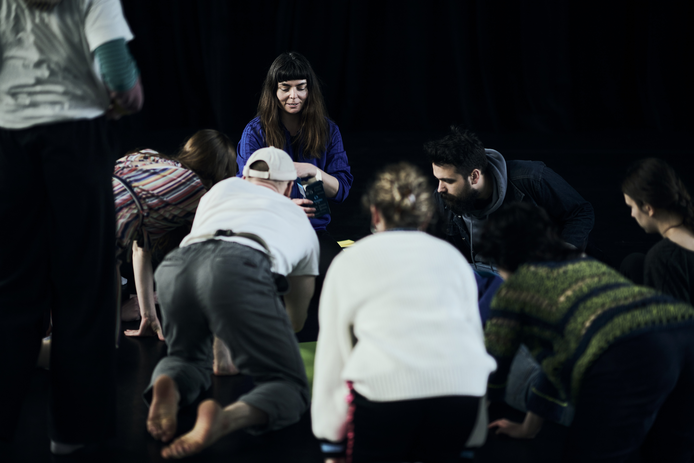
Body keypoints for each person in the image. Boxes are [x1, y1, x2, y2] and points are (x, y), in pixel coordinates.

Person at [0, 0, 142, 455]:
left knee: (11, 287)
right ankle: (72, 432)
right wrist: (128, 96)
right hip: (76, 136)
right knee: (83, 284)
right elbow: (116, 67)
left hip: (9, 140)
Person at [478, 202, 694, 463]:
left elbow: (493, 368)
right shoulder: (583, 263)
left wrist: (471, 425)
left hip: (626, 349)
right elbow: (554, 365)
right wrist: (528, 428)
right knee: (669, 453)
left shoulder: (513, 291)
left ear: (499, 253)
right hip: (683, 328)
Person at [312, 162, 497, 463]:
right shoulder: (453, 260)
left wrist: (330, 438)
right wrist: (473, 437)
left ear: (375, 214)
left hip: (385, 396)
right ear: (425, 217)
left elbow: (334, 351)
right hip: (460, 398)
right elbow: (472, 340)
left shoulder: (350, 261)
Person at [145, 147, 319, 459]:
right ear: (289, 188)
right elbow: (295, 319)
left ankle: (168, 382)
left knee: (187, 359)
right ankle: (227, 418)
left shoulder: (220, 190)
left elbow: (206, 255)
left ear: (245, 176)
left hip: (177, 266)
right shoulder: (299, 219)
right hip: (241, 265)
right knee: (288, 384)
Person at [237, 51, 353, 341]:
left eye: (301, 87)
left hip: (313, 232)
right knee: (265, 285)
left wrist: (312, 171)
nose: (293, 96)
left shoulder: (328, 130)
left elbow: (342, 189)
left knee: (342, 282)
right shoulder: (255, 132)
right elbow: (246, 191)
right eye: (285, 88)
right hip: (268, 232)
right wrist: (286, 206)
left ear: (309, 89)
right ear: (273, 91)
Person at [114, 129, 237, 340]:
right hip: (99, 226)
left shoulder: (149, 156)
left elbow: (140, 249)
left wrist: (148, 315)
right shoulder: (197, 193)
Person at [425, 126, 594, 273]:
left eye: (448, 181)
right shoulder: (443, 198)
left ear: (474, 176)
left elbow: (580, 212)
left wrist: (562, 257)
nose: (440, 189)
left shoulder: (531, 179)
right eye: (438, 179)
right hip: (480, 280)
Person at [620, 158, 694, 303]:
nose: (632, 214)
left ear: (648, 208)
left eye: (631, 207)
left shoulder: (663, 258)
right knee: (634, 262)